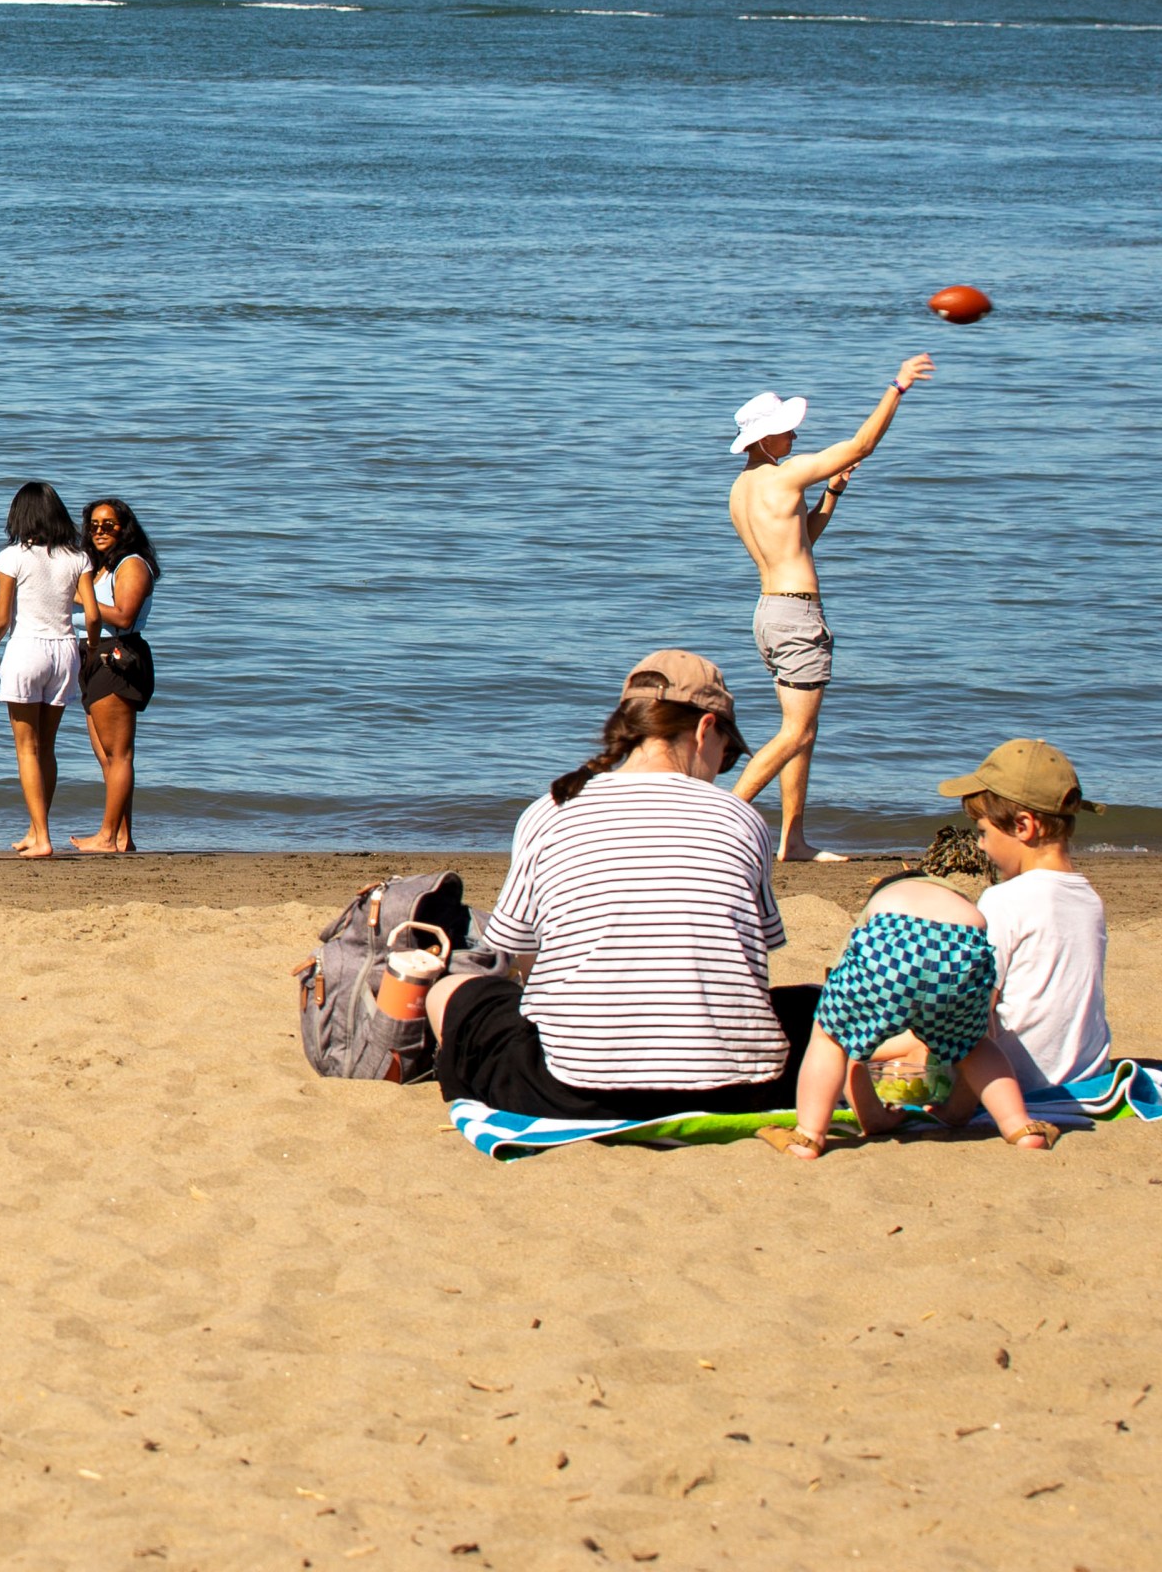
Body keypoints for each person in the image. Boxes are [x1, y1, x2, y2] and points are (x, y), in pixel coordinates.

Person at [422, 652, 820, 1120]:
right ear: (704, 728)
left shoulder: (549, 812)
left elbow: (516, 955)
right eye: (727, 755)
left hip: (572, 1093)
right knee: (813, 1003)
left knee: (455, 993)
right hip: (738, 1092)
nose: (720, 767)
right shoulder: (742, 819)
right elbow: (749, 956)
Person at [727, 354, 937, 861]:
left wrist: (832, 495)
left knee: (802, 730)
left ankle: (792, 840)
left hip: (768, 615)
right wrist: (898, 385)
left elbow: (798, 544)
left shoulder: (742, 489)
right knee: (796, 730)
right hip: (797, 617)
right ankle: (719, 818)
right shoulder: (785, 477)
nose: (794, 438)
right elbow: (862, 444)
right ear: (763, 439)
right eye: (786, 431)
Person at [765, 874, 1056, 1159]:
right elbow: (984, 1026)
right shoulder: (955, 899)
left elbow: (842, 977)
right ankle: (1019, 1125)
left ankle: (809, 1134)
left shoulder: (884, 900)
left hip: (894, 934)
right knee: (977, 1045)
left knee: (831, 1038)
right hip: (966, 942)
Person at [946, 737, 1115, 1095]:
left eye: (983, 833)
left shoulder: (1003, 900)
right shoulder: (1089, 899)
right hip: (1087, 1073)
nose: (980, 846)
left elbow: (976, 1011)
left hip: (1016, 1079)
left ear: (1023, 826)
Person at [0, 482, 91, 856]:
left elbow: (2, 617)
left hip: (27, 649)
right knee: (47, 747)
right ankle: (36, 829)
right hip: (65, 650)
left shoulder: (12, 556)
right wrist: (90, 646)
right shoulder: (77, 558)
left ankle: (42, 838)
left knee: (26, 748)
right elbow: (90, 614)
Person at [70, 497, 159, 855]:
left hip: (116, 656)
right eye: (93, 525)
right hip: (90, 655)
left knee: (118, 755)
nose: (99, 531)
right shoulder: (99, 567)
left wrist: (80, 597)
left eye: (109, 524)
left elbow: (124, 615)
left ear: (125, 527)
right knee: (106, 757)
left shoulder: (132, 564)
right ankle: (122, 838)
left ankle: (107, 837)